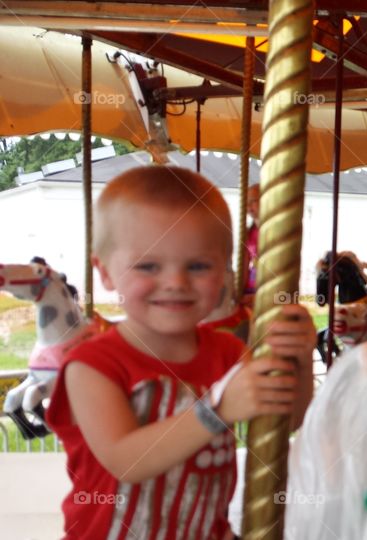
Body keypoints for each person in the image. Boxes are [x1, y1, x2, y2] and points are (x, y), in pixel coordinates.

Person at [46, 166, 316, 539]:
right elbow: (126, 460)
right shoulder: (92, 366)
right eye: (149, 266)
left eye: (198, 266)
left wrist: (298, 359)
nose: (175, 282)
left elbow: (287, 419)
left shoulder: (228, 351)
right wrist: (218, 410)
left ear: (225, 271)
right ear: (104, 272)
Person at [241, 183, 260, 307]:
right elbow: (244, 264)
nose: (248, 206)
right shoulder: (249, 232)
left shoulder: (276, 232)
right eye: (246, 202)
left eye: (253, 201)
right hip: (250, 287)